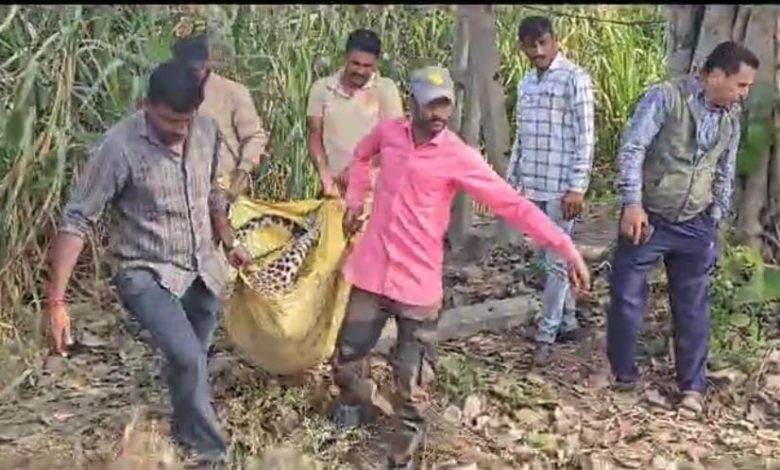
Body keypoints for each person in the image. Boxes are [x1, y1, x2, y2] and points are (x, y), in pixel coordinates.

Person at [331, 65, 591, 469]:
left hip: (418, 287)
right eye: (432, 106)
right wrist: (354, 201)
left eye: (445, 107)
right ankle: (362, 404)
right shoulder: (389, 133)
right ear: (411, 101)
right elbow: (362, 157)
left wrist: (564, 246)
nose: (440, 115)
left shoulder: (456, 154)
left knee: (414, 388)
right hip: (372, 273)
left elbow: (512, 204)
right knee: (346, 359)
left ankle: (402, 460)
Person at [44, 60, 251, 465]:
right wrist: (57, 302)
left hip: (201, 268)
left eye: (187, 120)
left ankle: (183, 429)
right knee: (188, 357)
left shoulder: (206, 131)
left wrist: (228, 239)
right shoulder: (118, 147)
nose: (180, 132)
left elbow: (211, 193)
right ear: (146, 105)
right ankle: (214, 453)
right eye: (171, 121)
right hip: (144, 271)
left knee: (191, 356)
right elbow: (77, 219)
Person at [608, 41, 759, 417]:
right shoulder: (666, 98)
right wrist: (632, 203)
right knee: (627, 298)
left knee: (693, 308)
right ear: (716, 75)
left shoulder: (730, 117)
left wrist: (715, 220)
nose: (744, 94)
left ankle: (692, 386)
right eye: (741, 84)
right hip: (650, 217)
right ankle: (623, 374)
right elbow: (633, 148)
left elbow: (724, 170)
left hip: (696, 223)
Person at [505, 16, 596, 366]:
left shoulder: (575, 79)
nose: (538, 51)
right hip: (534, 184)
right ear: (523, 47)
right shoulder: (527, 82)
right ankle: (569, 322)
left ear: (555, 41)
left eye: (544, 42)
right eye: (531, 45)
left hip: (562, 188)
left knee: (557, 262)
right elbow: (521, 137)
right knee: (547, 257)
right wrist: (513, 181)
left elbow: (586, 137)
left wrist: (577, 186)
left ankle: (547, 333)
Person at [307, 28, 404, 199]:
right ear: (345, 58)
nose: (360, 71)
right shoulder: (322, 89)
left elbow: (394, 141)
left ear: (376, 64)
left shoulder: (386, 90)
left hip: (374, 194)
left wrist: (358, 169)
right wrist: (325, 176)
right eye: (355, 63)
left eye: (367, 66)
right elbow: (315, 134)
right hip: (334, 190)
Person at [172, 33, 268, 201]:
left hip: (224, 187)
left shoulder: (233, 92)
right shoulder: (166, 92)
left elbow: (255, 136)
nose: (192, 75)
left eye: (196, 70)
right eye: (186, 70)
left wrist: (243, 170)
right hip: (180, 189)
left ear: (208, 62)